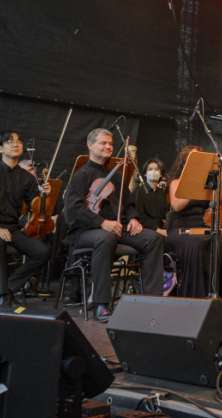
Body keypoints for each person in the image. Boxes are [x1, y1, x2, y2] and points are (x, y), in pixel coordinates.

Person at [64, 128, 168, 322]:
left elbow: (129, 205)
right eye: (103, 143)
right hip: (85, 232)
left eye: (110, 143)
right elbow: (73, 211)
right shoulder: (81, 175)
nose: (108, 146)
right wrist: (101, 222)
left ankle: (152, 300)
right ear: (90, 145)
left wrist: (134, 219)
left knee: (154, 239)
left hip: (117, 229)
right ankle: (101, 303)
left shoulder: (118, 177)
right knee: (105, 238)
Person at [0, 130, 52, 306]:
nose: (16, 144)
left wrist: (44, 196)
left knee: (42, 251)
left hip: (10, 228)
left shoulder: (27, 177)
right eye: (9, 141)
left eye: (19, 141)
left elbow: (35, 208)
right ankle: (5, 297)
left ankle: (5, 289)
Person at [167, 145, 222, 298]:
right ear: (185, 162)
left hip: (205, 228)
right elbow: (177, 206)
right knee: (197, 243)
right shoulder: (176, 182)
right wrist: (194, 183)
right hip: (182, 228)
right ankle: (195, 295)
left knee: (216, 242)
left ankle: (216, 295)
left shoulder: (209, 184)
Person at [136, 157, 169, 231]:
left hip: (161, 228)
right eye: (150, 169)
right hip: (146, 229)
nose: (153, 171)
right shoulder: (138, 192)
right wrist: (158, 230)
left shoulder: (162, 193)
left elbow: (165, 213)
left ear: (161, 174)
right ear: (145, 173)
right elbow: (140, 218)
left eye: (156, 169)